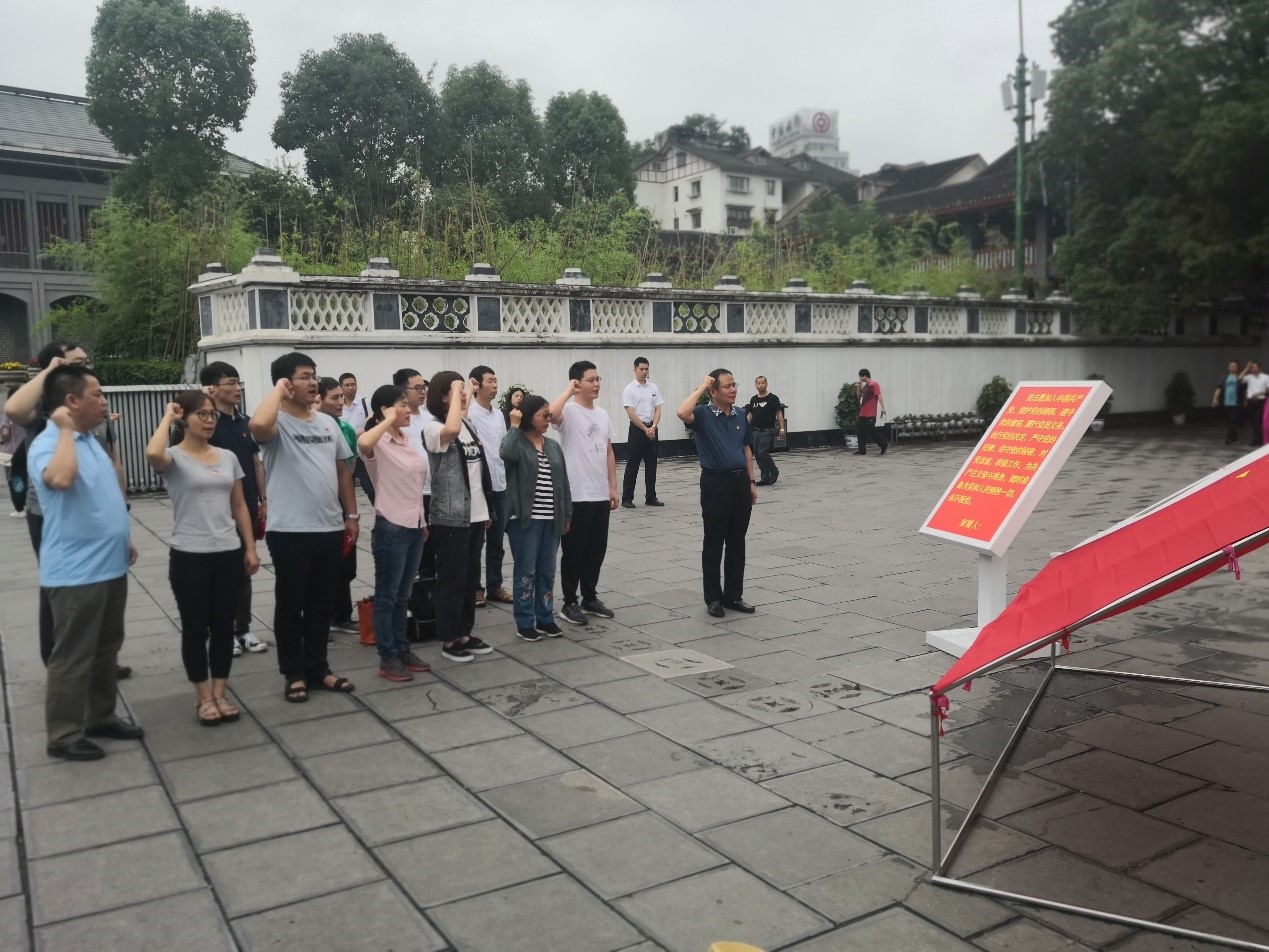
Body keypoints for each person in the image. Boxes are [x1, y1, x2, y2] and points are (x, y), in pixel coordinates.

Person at [29, 364, 142, 760]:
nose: (105, 401)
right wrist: (63, 430)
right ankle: (62, 734)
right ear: (71, 401)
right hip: (76, 572)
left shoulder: (90, 440)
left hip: (110, 564)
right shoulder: (48, 444)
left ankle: (100, 716)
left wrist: (123, 537)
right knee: (73, 655)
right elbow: (61, 481)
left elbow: (101, 495)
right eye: (97, 394)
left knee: (107, 647)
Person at [4, 341, 131, 678]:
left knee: (102, 592)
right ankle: (59, 660)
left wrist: (121, 511)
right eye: (76, 363)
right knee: (61, 588)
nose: (85, 367)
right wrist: (51, 371)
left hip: (94, 512)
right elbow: (13, 409)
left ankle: (100, 657)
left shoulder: (94, 408)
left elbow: (113, 461)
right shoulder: (47, 410)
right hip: (50, 512)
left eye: (86, 361)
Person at [250, 352, 360, 702]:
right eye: (304, 376)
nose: (313, 382)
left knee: (321, 605)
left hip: (328, 527)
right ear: (284, 383)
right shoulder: (276, 424)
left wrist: (352, 516)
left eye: (314, 375)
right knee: (291, 604)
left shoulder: (327, 423)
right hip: (290, 530)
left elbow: (343, 471)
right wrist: (278, 392)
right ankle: (293, 673)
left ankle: (318, 668)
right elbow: (257, 426)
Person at [146, 391, 260, 726]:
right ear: (185, 418)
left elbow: (239, 505)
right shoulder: (173, 458)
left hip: (228, 552)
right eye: (202, 415)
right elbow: (152, 453)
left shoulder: (227, 457)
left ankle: (220, 692)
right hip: (189, 554)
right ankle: (203, 695)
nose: (210, 421)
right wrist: (168, 417)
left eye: (213, 415)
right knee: (195, 629)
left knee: (224, 627)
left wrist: (249, 547)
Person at [357, 384, 432, 682]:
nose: (408, 409)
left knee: (403, 596)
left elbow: (415, 486)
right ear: (385, 410)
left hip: (413, 526)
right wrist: (386, 420)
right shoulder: (378, 443)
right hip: (391, 527)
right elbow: (363, 443)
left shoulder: (406, 439)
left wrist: (422, 522)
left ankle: (402, 649)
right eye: (402, 404)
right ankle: (387, 656)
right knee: (387, 597)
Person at [422, 371, 496, 663]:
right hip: (450, 517)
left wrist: (486, 510)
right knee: (451, 580)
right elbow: (450, 429)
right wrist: (456, 392)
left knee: (469, 579)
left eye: (463, 390)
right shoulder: (433, 428)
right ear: (442, 396)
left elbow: (479, 471)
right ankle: (449, 638)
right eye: (457, 390)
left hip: (475, 515)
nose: (464, 394)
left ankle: (465, 632)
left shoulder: (467, 425)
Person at [201, 361, 270, 657]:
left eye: (238, 382)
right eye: (231, 382)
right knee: (218, 574)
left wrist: (263, 499)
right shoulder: (206, 424)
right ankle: (221, 631)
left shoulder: (245, 422)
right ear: (212, 388)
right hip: (215, 510)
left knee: (245, 568)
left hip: (247, 506)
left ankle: (243, 629)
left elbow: (256, 462)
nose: (238, 387)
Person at [677, 369, 757, 619]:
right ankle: (713, 597)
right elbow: (682, 412)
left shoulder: (740, 413)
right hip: (715, 483)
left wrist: (751, 481)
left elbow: (746, 449)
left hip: (740, 482)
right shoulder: (703, 414)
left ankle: (733, 595)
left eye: (735, 385)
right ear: (713, 391)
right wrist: (702, 386)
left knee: (737, 541)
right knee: (714, 541)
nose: (733, 390)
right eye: (727, 386)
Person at [549, 361, 619, 626]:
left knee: (596, 549)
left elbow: (609, 451)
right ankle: (569, 602)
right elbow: (551, 414)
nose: (597, 384)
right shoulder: (568, 410)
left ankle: (590, 597)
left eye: (598, 379)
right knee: (574, 551)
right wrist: (568, 390)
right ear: (577, 383)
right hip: (576, 493)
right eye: (591, 380)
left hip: (599, 493)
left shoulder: (602, 413)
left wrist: (612, 487)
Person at [501, 395, 572, 642]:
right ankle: (524, 621)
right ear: (529, 416)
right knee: (526, 571)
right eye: (543, 415)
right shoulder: (517, 442)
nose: (548, 419)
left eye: (549, 415)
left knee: (547, 571)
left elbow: (564, 483)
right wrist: (513, 426)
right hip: (524, 519)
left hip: (551, 519)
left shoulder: (552, 445)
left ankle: (545, 618)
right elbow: (505, 454)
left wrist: (567, 514)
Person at [467, 365, 513, 607]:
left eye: (496, 380)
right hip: (479, 487)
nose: (495, 385)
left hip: (500, 484)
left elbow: (502, 448)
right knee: (476, 542)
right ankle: (475, 587)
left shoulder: (498, 415)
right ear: (476, 384)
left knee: (497, 541)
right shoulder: (469, 414)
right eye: (490, 381)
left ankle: (495, 586)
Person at [319, 377, 361, 635]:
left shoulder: (345, 428)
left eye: (341, 398)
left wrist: (352, 512)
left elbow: (349, 468)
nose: (340, 403)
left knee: (346, 561)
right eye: (334, 398)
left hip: (342, 500)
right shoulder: (313, 428)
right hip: (319, 502)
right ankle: (321, 618)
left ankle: (341, 615)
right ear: (318, 400)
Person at [395, 367, 435, 577]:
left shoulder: (430, 419)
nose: (422, 392)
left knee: (433, 547)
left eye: (423, 387)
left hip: (433, 491)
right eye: (417, 388)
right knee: (414, 550)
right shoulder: (397, 421)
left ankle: (429, 586)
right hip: (411, 493)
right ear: (402, 390)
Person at [621, 357, 665, 508]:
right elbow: (631, 413)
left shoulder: (653, 388)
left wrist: (653, 426)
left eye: (646, 369)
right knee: (633, 464)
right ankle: (627, 498)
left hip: (652, 429)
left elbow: (658, 409)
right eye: (641, 369)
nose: (644, 371)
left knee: (652, 464)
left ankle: (651, 497)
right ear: (635, 370)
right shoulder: (629, 389)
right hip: (637, 429)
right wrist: (645, 429)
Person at [339, 372, 375, 504]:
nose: (351, 388)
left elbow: (372, 423)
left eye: (353, 384)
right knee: (345, 489)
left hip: (361, 452)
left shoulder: (365, 403)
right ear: (341, 387)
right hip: (344, 454)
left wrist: (357, 433)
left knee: (370, 487)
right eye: (347, 385)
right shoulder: (338, 405)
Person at [746, 376, 786, 486]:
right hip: (756, 431)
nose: (760, 385)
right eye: (758, 383)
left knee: (762, 452)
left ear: (766, 384)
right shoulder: (753, 399)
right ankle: (765, 477)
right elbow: (750, 414)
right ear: (755, 385)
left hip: (768, 430)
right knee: (758, 455)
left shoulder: (773, 398)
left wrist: (782, 428)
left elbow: (779, 413)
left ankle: (774, 471)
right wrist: (744, 427)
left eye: (762, 383)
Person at [855, 368, 888, 456]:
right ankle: (862, 450)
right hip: (862, 413)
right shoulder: (865, 386)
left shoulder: (874, 384)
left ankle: (883, 444)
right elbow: (859, 397)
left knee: (871, 431)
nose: (860, 378)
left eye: (860, 376)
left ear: (864, 376)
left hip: (871, 413)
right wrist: (858, 387)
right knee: (860, 431)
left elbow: (879, 395)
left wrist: (882, 407)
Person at [1212, 361, 1245, 446]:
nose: (1233, 367)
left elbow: (1245, 390)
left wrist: (1245, 400)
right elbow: (1219, 388)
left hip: (1236, 403)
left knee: (1233, 420)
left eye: (1234, 366)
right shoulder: (1224, 378)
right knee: (1229, 422)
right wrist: (1215, 399)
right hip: (1226, 403)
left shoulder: (1240, 377)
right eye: (1231, 366)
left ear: (1237, 367)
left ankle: (1228, 438)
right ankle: (1235, 439)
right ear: (1228, 367)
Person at [1240, 361, 1269, 446]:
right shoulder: (1249, 377)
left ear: (1259, 367)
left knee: (1257, 421)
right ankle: (1258, 439)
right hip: (1251, 401)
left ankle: (1255, 440)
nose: (1253, 369)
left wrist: (1259, 393)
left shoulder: (1266, 377)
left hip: (1260, 401)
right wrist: (1247, 368)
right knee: (1252, 421)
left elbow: (1268, 390)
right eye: (1252, 367)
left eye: (1255, 367)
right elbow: (1239, 378)